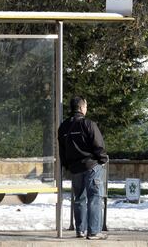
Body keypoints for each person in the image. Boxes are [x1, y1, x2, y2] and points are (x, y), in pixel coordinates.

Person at [58, 96, 108, 240]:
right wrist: (102, 160)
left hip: (75, 168)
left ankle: (80, 230)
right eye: (85, 106)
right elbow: (99, 145)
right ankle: (94, 232)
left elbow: (62, 150)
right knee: (94, 198)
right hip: (91, 166)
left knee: (79, 198)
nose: (86, 109)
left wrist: (68, 165)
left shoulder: (63, 127)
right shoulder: (88, 124)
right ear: (81, 108)